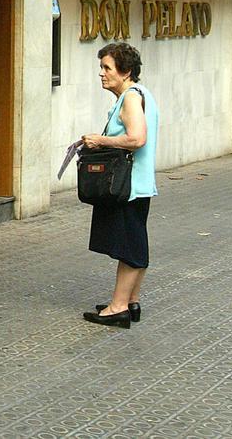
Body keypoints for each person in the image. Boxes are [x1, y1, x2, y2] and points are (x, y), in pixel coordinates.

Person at [81, 41, 160, 329]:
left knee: (130, 247)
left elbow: (137, 138)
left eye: (107, 68)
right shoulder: (140, 94)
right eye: (100, 67)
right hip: (138, 186)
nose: (101, 74)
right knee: (135, 243)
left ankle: (118, 308)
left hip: (127, 188)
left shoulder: (129, 98)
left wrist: (99, 140)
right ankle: (130, 301)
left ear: (126, 71)